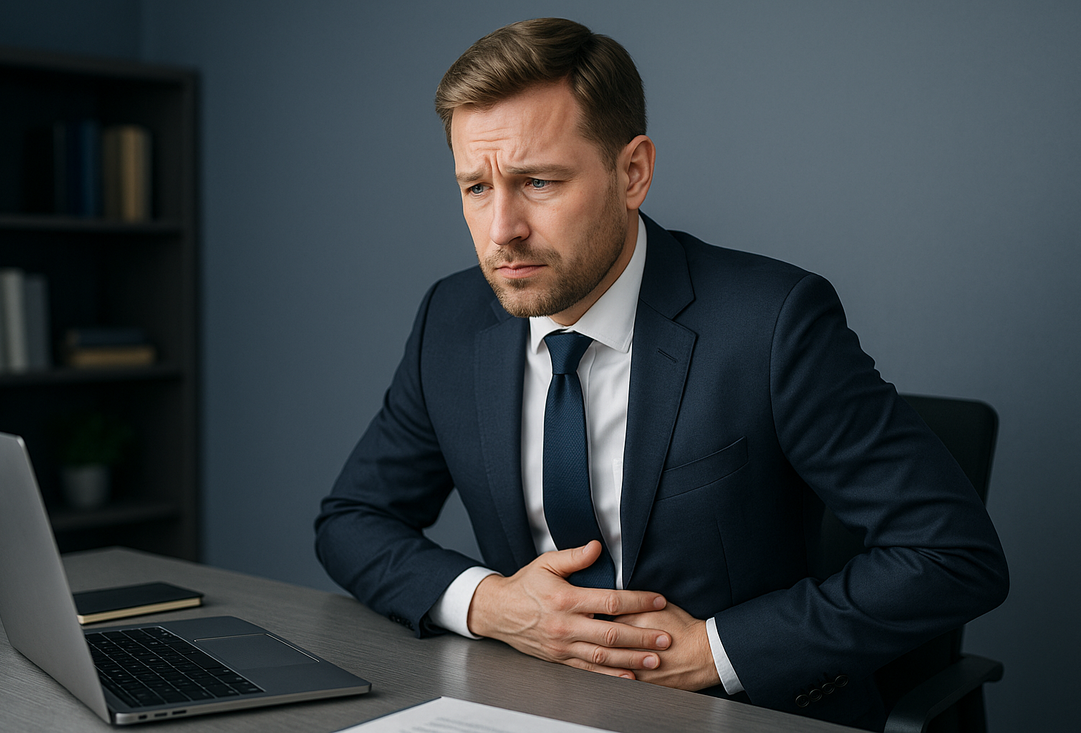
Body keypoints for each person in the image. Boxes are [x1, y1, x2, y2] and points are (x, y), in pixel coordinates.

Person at [315, 18, 1007, 730]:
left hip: (738, 712)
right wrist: (491, 604)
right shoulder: (452, 320)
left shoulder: (771, 324)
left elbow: (951, 553)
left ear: (632, 171)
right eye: (476, 187)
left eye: (538, 181)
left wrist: (713, 650)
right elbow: (353, 520)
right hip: (529, 708)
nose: (502, 230)